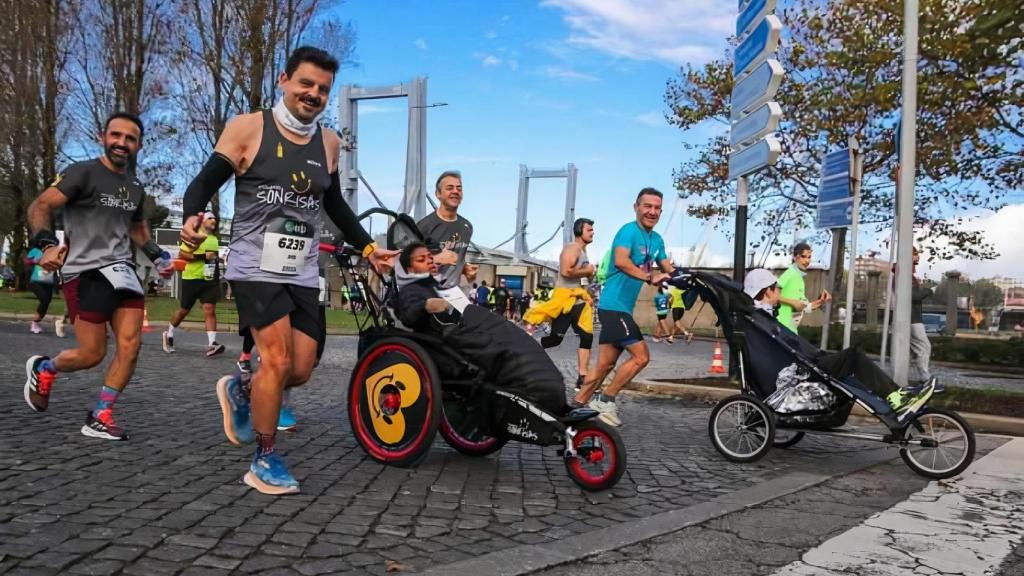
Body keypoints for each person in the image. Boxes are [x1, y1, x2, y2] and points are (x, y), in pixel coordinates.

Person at [180, 46, 396, 495]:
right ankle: (264, 456)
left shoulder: (329, 142)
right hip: (252, 262)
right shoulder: (248, 128)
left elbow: (333, 203)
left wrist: (370, 247)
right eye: (306, 84)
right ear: (283, 80)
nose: (313, 94)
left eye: (323, 89)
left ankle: (243, 389)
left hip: (300, 266)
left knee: (299, 368)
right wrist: (193, 217)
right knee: (275, 360)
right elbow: (202, 183)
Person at [23, 112, 174, 440]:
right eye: (116, 136)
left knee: (131, 345)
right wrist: (47, 245)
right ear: (103, 137)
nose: (122, 143)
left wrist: (158, 255)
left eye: (130, 138)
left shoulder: (135, 186)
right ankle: (45, 369)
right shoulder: (82, 173)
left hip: (122, 271)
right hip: (84, 271)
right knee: (92, 354)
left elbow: (136, 228)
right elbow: (40, 206)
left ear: (138, 145)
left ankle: (101, 414)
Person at [395, 243, 564, 413]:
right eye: (421, 259)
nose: (430, 261)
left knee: (514, 338)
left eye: (430, 257)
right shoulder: (411, 290)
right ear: (408, 268)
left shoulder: (436, 285)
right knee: (503, 345)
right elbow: (409, 314)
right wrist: (426, 305)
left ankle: (541, 393)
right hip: (447, 337)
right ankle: (537, 394)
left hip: (463, 328)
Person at [575, 188, 673, 426]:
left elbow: (668, 268)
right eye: (647, 206)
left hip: (622, 310)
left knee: (604, 366)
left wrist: (687, 278)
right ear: (636, 207)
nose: (652, 212)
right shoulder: (628, 232)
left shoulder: (656, 240)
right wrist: (650, 277)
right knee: (641, 357)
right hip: (613, 306)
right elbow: (621, 260)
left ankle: (574, 409)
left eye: (657, 208)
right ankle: (605, 399)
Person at [523, 217, 595, 389]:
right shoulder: (572, 248)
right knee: (555, 339)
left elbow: (582, 278)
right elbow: (565, 271)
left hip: (579, 300)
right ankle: (528, 350)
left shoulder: (583, 252)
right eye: (589, 229)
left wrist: (588, 289)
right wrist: (587, 270)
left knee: (587, 336)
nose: (593, 232)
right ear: (579, 231)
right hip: (565, 301)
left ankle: (582, 376)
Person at [162, 212, 225, 356]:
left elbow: (212, 259)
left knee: (209, 309)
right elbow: (182, 255)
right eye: (210, 218)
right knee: (184, 310)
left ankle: (212, 344)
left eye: (215, 218)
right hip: (191, 278)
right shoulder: (192, 236)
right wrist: (202, 256)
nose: (214, 220)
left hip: (209, 279)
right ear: (202, 221)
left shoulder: (214, 239)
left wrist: (215, 271)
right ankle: (169, 333)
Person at [417, 170, 478, 289]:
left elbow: (457, 256)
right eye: (450, 188)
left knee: (480, 309)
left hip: (453, 294)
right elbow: (407, 262)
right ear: (438, 194)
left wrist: (465, 268)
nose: (455, 191)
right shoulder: (423, 226)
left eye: (459, 189)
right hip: (427, 292)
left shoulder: (467, 227)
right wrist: (436, 258)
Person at [777, 242, 831, 333]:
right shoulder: (789, 274)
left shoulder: (799, 279)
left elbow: (806, 307)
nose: (807, 261)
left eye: (809, 257)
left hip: (792, 330)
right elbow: (771, 296)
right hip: (781, 327)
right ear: (795, 257)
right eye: (803, 256)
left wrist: (821, 301)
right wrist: (793, 302)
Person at [910, 247, 933, 383]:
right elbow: (913, 296)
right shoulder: (906, 274)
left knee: (918, 348)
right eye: (915, 254)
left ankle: (922, 376)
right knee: (924, 346)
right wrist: (928, 291)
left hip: (911, 317)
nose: (918, 257)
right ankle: (925, 377)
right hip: (912, 319)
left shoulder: (907, 273)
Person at [25, 245, 57, 334]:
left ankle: (36, 323)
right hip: (36, 281)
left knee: (46, 302)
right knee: (44, 299)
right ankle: (34, 323)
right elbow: (26, 261)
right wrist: (35, 260)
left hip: (48, 281)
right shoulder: (36, 251)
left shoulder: (54, 253)